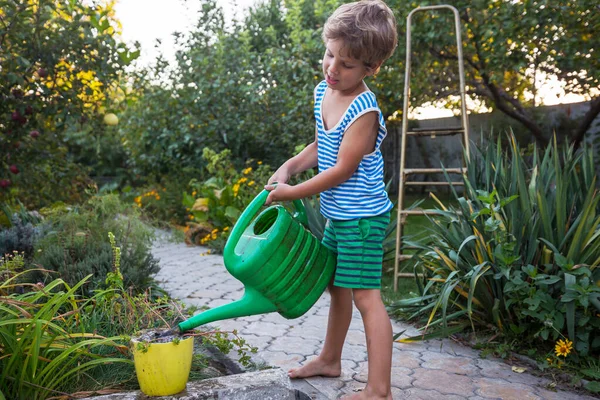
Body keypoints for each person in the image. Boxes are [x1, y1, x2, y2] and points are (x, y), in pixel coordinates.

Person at [264, 1, 398, 398]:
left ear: (371, 68)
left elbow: (342, 169)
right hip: (340, 216)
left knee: (366, 298)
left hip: (362, 219)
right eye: (329, 54)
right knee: (337, 289)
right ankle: (329, 360)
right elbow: (322, 144)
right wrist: (289, 167)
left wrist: (291, 193)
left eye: (347, 64)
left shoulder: (364, 110)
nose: (332, 68)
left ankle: (379, 389)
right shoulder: (325, 89)